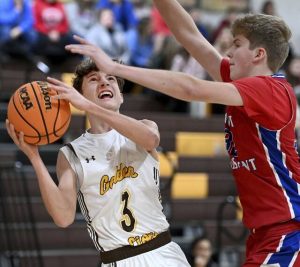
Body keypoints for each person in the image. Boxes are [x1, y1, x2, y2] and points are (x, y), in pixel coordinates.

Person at [63, 0, 300, 263]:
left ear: (258, 55)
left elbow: (190, 89)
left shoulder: (271, 90)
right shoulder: (241, 86)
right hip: (267, 232)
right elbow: (190, 36)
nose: (228, 51)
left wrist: (116, 68)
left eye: (237, 44)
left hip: (289, 229)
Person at [6, 57, 190, 266]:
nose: (104, 82)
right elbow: (63, 217)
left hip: (164, 252)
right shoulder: (71, 154)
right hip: (118, 259)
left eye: (110, 78)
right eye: (94, 80)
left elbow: (151, 139)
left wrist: (90, 106)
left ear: (121, 96)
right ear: (80, 97)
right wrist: (35, 158)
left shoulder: (145, 127)